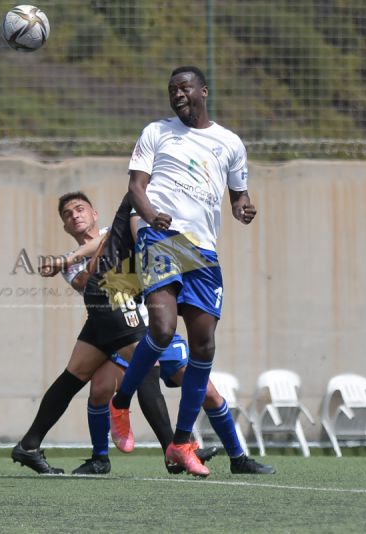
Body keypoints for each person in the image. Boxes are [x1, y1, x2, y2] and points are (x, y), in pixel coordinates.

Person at [108, 65, 264, 477]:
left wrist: (243, 208)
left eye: (185, 87)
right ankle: (120, 403)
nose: (177, 94)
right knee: (161, 328)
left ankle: (180, 443)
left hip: (204, 250)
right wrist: (152, 214)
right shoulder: (156, 132)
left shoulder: (229, 142)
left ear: (203, 92)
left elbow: (238, 196)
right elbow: (136, 187)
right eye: (172, 89)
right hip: (163, 235)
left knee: (204, 347)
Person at [11, 192, 219, 476]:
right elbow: (88, 278)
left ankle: (29, 444)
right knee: (146, 367)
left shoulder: (115, 230)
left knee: (74, 376)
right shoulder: (132, 207)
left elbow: (163, 251)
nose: (75, 215)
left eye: (80, 209)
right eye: (68, 214)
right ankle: (173, 451)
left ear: (95, 214)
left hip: (111, 307)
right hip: (110, 298)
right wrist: (75, 257)